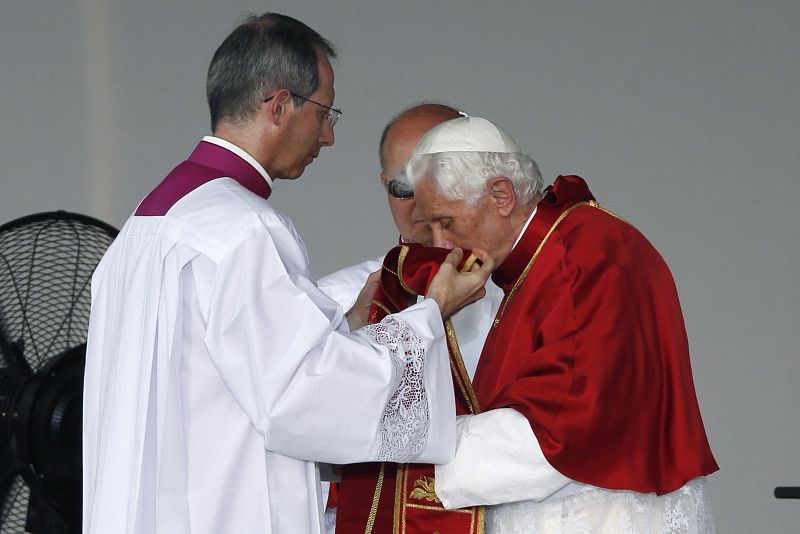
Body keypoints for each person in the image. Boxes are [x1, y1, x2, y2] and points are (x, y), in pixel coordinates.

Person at [81, 15, 492, 534]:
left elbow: (234, 371)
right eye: (325, 112)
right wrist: (430, 316)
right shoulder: (245, 227)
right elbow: (302, 398)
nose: (329, 136)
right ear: (278, 106)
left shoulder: (147, 224)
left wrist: (352, 325)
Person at [401, 115, 719, 533]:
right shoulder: (548, 252)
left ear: (501, 196)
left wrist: (404, 460)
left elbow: (556, 431)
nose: (440, 244)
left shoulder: (584, 257)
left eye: (446, 222)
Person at [317, 104, 505, 533]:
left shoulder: (528, 297)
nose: (423, 203)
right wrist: (356, 331)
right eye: (404, 186)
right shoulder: (335, 301)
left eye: (438, 180)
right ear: (384, 186)